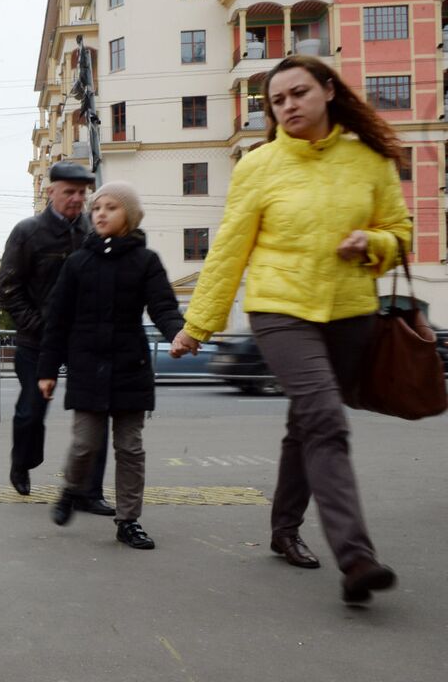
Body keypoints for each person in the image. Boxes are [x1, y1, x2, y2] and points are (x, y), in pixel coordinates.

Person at [171, 56, 411, 603]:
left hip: (350, 312)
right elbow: (229, 251)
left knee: (307, 425)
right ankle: (356, 557)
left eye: (298, 93)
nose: (288, 107)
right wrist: (198, 326)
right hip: (280, 310)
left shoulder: (369, 160)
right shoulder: (260, 166)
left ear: (328, 91)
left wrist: (371, 244)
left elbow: (400, 233)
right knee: (326, 419)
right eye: (277, 101)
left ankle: (283, 529)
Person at [36, 183, 184, 550]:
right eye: (97, 207)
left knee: (130, 448)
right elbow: (57, 321)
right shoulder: (77, 263)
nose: (100, 213)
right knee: (85, 443)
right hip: (87, 365)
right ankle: (71, 489)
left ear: (129, 217)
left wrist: (179, 333)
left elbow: (163, 306)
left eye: (111, 207)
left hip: (129, 365)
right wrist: (47, 370)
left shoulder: (145, 261)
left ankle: (128, 520)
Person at [0, 161, 112, 514]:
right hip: (38, 339)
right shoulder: (28, 232)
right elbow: (8, 289)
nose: (77, 199)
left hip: (83, 340)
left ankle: (90, 491)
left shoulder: (94, 232)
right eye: (69, 192)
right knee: (31, 410)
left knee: (96, 411)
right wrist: (38, 325)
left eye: (82, 193)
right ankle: (23, 461)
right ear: (51, 192)